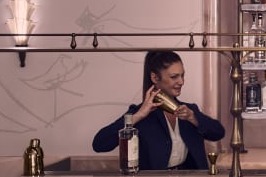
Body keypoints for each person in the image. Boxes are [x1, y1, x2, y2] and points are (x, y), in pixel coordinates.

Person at [93, 50, 225, 170]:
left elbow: (218, 133)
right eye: (174, 77)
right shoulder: (139, 114)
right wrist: (138, 116)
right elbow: (99, 144)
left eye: (182, 75)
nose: (181, 81)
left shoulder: (189, 110)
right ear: (155, 78)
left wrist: (193, 118)